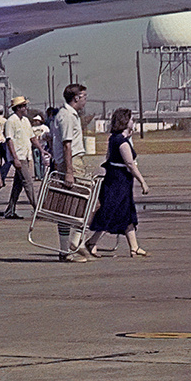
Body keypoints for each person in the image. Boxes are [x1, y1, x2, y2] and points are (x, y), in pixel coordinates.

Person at [85, 107, 150, 257]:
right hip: (117, 181)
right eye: (131, 120)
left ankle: (134, 247)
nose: (133, 122)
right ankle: (91, 242)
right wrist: (143, 182)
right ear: (125, 121)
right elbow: (130, 164)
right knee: (110, 211)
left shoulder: (116, 138)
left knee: (126, 213)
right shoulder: (120, 142)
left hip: (120, 180)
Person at [54, 83, 94, 261]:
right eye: (84, 96)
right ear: (76, 97)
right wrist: (69, 171)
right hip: (72, 162)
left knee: (69, 207)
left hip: (74, 161)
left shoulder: (71, 115)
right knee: (88, 203)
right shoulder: (67, 116)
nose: (85, 100)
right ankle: (74, 243)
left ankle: (65, 250)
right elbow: (66, 144)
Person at [0, 96, 37, 219]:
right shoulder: (11, 121)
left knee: (18, 185)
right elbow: (9, 140)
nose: (25, 108)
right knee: (28, 183)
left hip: (26, 155)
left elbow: (32, 137)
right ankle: (37, 208)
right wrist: (15, 158)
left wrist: (41, 151)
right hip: (19, 156)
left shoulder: (25, 121)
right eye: (23, 106)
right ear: (18, 108)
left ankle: (10, 210)